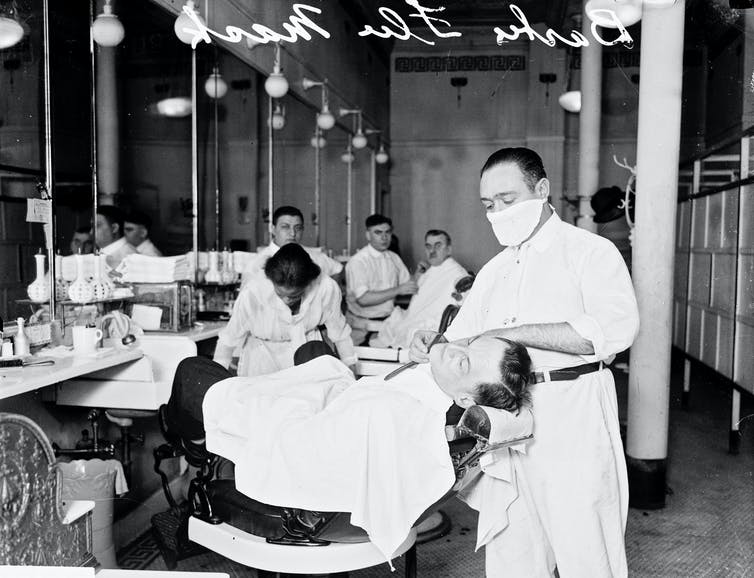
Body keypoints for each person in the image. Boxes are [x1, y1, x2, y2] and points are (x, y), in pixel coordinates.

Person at [410, 147, 640, 577]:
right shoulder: (494, 271)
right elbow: (461, 339)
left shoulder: (589, 252)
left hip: (572, 409)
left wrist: (514, 333)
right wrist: (432, 341)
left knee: (584, 546)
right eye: (488, 205)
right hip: (506, 422)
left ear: (542, 189)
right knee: (513, 547)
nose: (497, 212)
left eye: (507, 200)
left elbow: (615, 330)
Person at [164, 335, 532, 560]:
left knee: (192, 372)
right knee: (313, 354)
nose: (454, 348)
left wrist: (287, 400)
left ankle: (196, 444)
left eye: (464, 360)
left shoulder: (397, 414)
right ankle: (200, 436)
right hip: (339, 409)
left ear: (467, 397)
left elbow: (306, 445)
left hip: (307, 439)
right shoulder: (434, 399)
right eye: (467, 343)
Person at [214, 243, 357, 377]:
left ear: (308, 284)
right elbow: (228, 339)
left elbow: (340, 334)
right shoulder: (254, 291)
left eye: (294, 295)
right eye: (280, 294)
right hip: (262, 359)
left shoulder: (325, 288)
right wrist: (216, 380)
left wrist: (351, 368)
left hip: (308, 355)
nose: (287, 300)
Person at [371, 229, 469, 348]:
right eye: (428, 246)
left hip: (433, 327)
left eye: (438, 246)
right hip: (412, 320)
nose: (432, 251)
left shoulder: (458, 275)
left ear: (449, 249)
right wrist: (418, 275)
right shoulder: (430, 270)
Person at [345, 214, 417, 345]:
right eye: (378, 232)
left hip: (387, 323)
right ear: (368, 235)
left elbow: (408, 286)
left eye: (387, 232)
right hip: (362, 328)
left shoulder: (393, 258)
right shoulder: (358, 261)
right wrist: (398, 290)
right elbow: (363, 299)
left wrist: (421, 275)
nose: (384, 237)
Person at [241, 205, 343, 285]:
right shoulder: (256, 264)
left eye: (297, 228)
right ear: (273, 229)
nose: (293, 233)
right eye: (285, 227)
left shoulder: (314, 256)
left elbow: (338, 269)